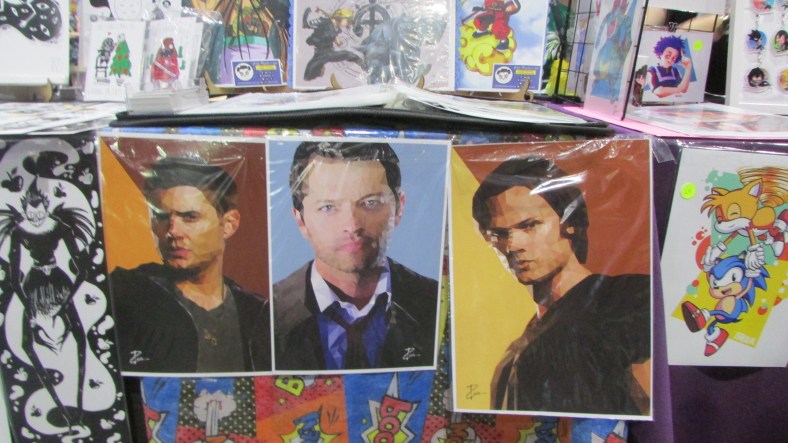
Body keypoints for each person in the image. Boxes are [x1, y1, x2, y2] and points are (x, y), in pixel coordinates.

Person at [471, 156, 650, 415]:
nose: (512, 245)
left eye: (529, 225)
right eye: (499, 233)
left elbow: (656, 406)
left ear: (570, 223)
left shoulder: (628, 299)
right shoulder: (511, 359)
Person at [273, 141, 439, 370]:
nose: (352, 226)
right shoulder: (264, 316)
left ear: (399, 209)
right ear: (300, 220)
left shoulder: (439, 305)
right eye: (328, 207)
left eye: (370, 203)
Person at [110, 157, 271, 373]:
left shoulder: (257, 314)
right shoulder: (125, 295)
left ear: (229, 224)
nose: (172, 231)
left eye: (190, 217)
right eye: (162, 217)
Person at [302, 7, 365, 81]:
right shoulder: (324, 22)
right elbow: (306, 24)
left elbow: (337, 41)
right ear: (340, 18)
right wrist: (306, 14)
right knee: (311, 70)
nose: (348, 24)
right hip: (321, 53)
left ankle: (364, 65)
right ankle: (364, 65)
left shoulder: (337, 29)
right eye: (347, 21)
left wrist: (340, 43)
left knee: (349, 55)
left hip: (328, 52)